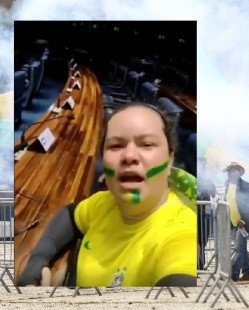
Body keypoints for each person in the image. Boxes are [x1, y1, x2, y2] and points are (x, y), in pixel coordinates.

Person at [18, 102, 197, 287]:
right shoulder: (106, 203)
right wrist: (38, 258)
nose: (129, 156)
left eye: (147, 144)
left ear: (169, 160)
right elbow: (70, 215)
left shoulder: (182, 236)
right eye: (116, 145)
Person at [224, 162, 249, 282]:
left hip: (244, 222)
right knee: (242, 248)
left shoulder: (246, 187)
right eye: (230, 170)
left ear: (239, 173)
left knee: (238, 248)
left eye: (235, 170)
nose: (232, 173)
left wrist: (243, 220)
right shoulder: (227, 185)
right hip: (234, 222)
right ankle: (248, 273)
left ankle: (233, 273)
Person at [197, 157, 217, 270]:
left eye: (204, 164)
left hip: (205, 214)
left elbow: (214, 193)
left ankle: (200, 264)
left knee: (203, 240)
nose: (203, 167)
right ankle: (197, 265)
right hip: (195, 214)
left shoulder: (206, 179)